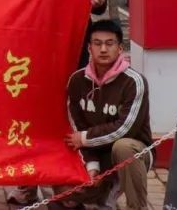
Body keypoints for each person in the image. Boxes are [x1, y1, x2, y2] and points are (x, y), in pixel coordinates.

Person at [0, 0, 107, 206]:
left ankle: (63, 183)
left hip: (72, 50)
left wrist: (97, 0)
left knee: (66, 117)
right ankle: (26, 183)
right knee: (28, 118)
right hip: (27, 51)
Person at [62, 19, 152, 210]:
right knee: (65, 194)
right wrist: (92, 165)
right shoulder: (77, 80)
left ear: (120, 48)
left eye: (109, 43)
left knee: (124, 147)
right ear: (89, 48)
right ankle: (102, 193)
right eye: (97, 43)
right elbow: (76, 126)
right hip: (95, 154)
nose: (103, 49)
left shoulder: (134, 82)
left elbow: (125, 129)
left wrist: (85, 138)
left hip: (132, 153)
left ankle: (135, 206)